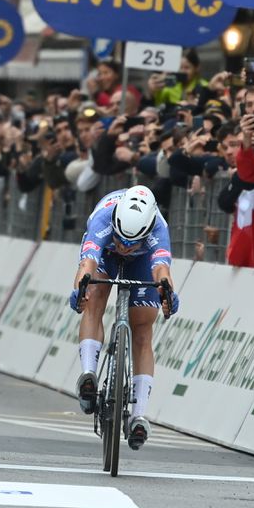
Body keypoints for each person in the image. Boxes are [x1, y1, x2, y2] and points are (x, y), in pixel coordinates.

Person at [69, 185, 179, 451]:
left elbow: (161, 271)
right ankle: (88, 373)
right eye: (121, 240)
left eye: (131, 243)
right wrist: (79, 290)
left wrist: (168, 294)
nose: (124, 247)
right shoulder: (103, 219)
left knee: (142, 329)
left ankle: (139, 416)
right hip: (103, 254)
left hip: (143, 262)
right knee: (93, 298)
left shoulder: (158, 229)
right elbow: (87, 265)